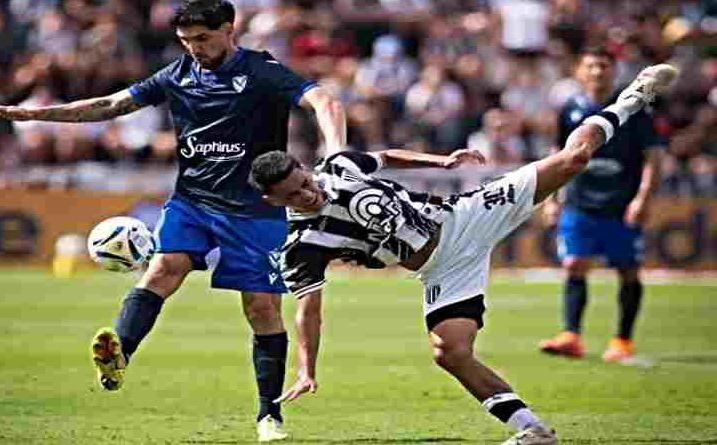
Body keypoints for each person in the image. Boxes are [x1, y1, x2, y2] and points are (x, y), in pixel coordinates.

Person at [249, 64, 677, 445]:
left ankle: (632, 97)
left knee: (574, 159)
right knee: (449, 352)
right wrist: (307, 368)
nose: (309, 192)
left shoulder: (339, 167)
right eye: (294, 195)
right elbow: (309, 311)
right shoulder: (302, 245)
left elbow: (383, 157)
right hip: (442, 269)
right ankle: (533, 429)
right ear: (273, 201)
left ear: (303, 166)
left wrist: (441, 161)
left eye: (304, 180)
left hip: (465, 217)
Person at [0, 1, 347, 441]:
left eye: (203, 39)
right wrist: (36, 114)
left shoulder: (262, 71)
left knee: (261, 308)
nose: (194, 48)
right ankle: (119, 354)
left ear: (230, 30)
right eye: (187, 41)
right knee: (162, 268)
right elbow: (112, 104)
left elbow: (323, 100)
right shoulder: (177, 75)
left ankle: (269, 415)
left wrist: (337, 152)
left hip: (254, 209)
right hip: (192, 201)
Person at [538, 47, 664, 364]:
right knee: (574, 265)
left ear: (614, 70)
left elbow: (653, 158)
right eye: (591, 66)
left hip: (621, 205)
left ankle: (622, 341)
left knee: (628, 271)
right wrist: (551, 198)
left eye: (603, 66)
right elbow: (558, 154)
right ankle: (571, 336)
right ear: (580, 71)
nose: (597, 72)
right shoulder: (569, 109)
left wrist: (643, 198)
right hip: (580, 203)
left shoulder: (634, 109)